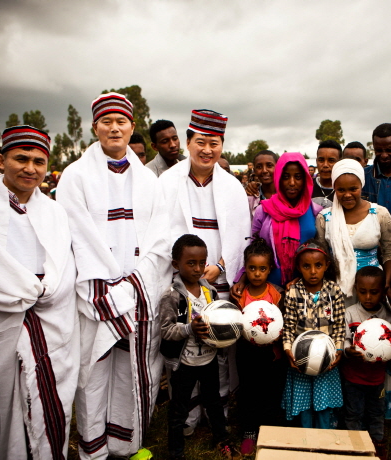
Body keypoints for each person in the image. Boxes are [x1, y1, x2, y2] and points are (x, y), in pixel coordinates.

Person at [0, 125, 78, 460]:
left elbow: (65, 265)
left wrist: (47, 290)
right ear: (2, 159)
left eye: (38, 161)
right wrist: (22, 292)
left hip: (48, 315)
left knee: (48, 395)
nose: (31, 168)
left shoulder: (54, 211)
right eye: (21, 158)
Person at [57, 93, 169, 459]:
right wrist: (108, 289)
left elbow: (159, 236)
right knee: (93, 373)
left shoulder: (148, 181)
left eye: (121, 121)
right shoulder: (74, 176)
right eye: (106, 121)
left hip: (136, 293)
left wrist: (135, 284)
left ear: (131, 127)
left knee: (130, 372)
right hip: (96, 296)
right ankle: (93, 448)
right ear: (95, 128)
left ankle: (125, 442)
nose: (114, 127)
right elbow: (77, 235)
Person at [159, 108, 250, 434]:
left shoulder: (233, 188)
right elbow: (159, 232)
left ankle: (218, 414)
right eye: (201, 142)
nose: (207, 150)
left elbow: (241, 237)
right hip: (181, 284)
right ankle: (187, 417)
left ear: (221, 145)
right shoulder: (167, 182)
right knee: (186, 351)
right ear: (188, 142)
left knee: (220, 349)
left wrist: (221, 266)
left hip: (218, 282)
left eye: (214, 143)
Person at [159, 235, 238, 460]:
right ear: (176, 265)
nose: (198, 268)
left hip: (209, 360)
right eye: (191, 263)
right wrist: (189, 329)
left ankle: (222, 438)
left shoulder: (210, 292)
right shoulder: (172, 296)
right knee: (178, 410)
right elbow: (166, 330)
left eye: (202, 263)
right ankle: (176, 452)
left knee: (214, 401)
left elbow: (215, 323)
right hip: (184, 364)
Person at [232, 152, 323, 295]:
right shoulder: (264, 210)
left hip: (304, 289)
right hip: (268, 289)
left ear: (306, 179)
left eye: (298, 177)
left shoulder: (316, 211)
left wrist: (300, 279)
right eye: (286, 177)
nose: (292, 182)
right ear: (278, 178)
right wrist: (242, 280)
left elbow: (322, 252)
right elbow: (253, 247)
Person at [282, 240, 345, 428]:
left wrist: (339, 348)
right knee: (304, 404)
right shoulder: (293, 291)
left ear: (326, 265)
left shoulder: (334, 291)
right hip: (301, 359)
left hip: (327, 359)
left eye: (318, 265)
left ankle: (324, 437)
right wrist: (288, 350)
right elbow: (289, 326)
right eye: (306, 266)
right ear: (299, 268)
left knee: (323, 402)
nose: (313, 271)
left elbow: (340, 324)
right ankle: (306, 438)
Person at [316, 159, 391, 303]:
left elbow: (389, 253)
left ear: (362, 186)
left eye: (353, 189)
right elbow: (322, 256)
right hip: (337, 291)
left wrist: (386, 284)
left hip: (372, 290)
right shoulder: (325, 218)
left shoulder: (379, 214)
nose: (347, 195)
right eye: (341, 190)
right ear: (334, 189)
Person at [235, 238, 286, 456]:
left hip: (272, 355)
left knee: (271, 392)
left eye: (262, 269)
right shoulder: (239, 295)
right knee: (248, 391)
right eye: (252, 268)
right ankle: (248, 432)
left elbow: (284, 323)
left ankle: (269, 431)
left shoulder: (277, 294)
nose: (257, 273)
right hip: (247, 354)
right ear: (245, 269)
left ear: (270, 269)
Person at [342, 266, 391, 459]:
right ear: (356, 289)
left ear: (383, 291)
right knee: (353, 413)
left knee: (376, 413)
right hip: (353, 377)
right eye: (362, 291)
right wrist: (349, 350)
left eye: (374, 292)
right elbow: (345, 339)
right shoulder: (350, 313)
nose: (367, 297)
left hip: (377, 379)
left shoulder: (387, 317)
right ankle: (355, 447)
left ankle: (377, 444)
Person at [245, 150, 279, 217]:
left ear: (278, 167)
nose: (264, 170)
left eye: (269, 166)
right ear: (254, 171)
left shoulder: (287, 194)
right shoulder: (250, 198)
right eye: (259, 167)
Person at [312, 140, 342, 208]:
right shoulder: (307, 187)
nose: (325, 165)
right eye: (321, 160)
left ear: (339, 162)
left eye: (331, 161)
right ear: (316, 161)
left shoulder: (345, 191)